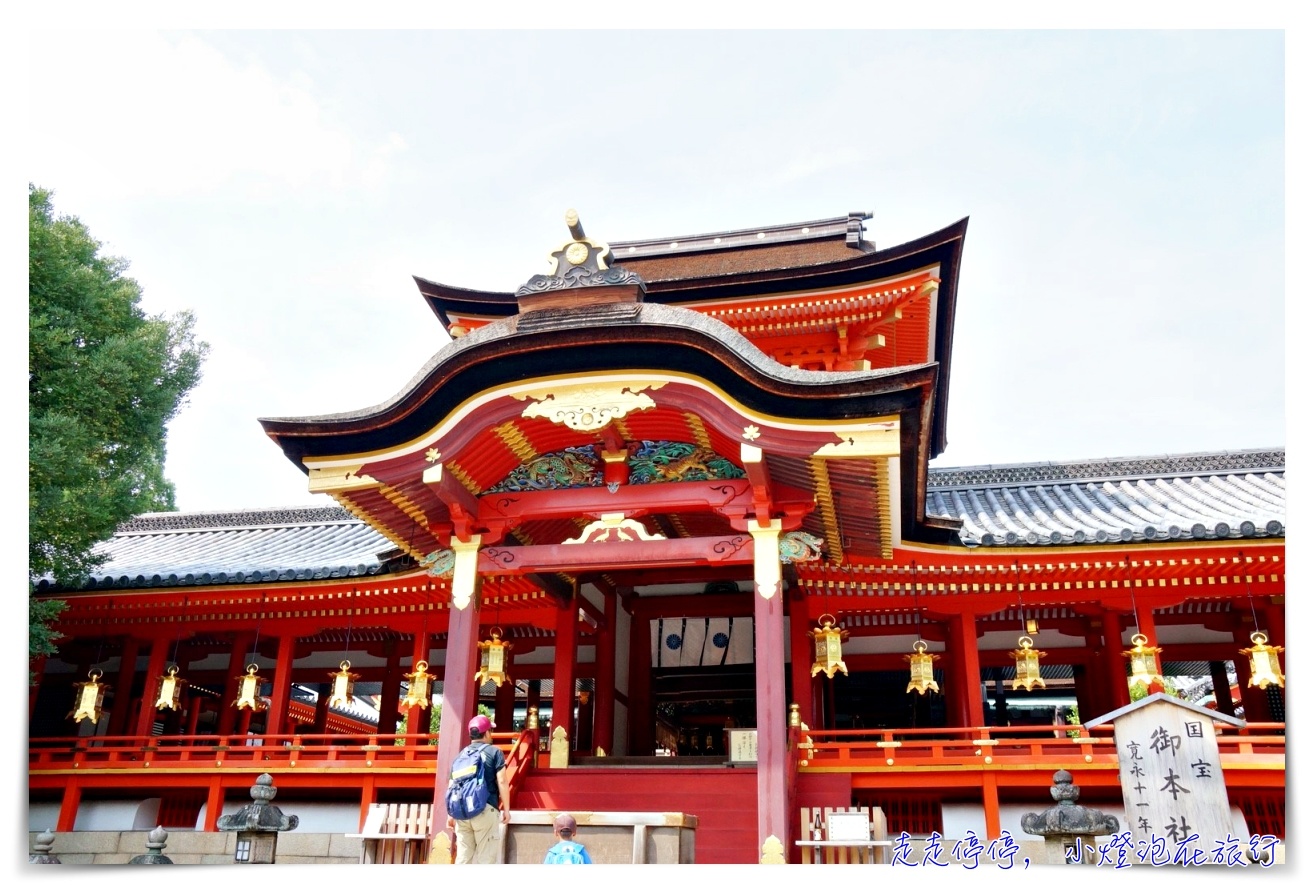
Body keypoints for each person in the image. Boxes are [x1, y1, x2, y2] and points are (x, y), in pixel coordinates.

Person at [447, 714, 510, 864]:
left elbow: (452, 785)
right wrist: (506, 809)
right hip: (485, 809)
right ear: (487, 732)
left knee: (463, 858)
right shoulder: (494, 752)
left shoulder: (461, 755)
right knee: (486, 859)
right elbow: (502, 780)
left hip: (462, 812)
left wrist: (450, 814)